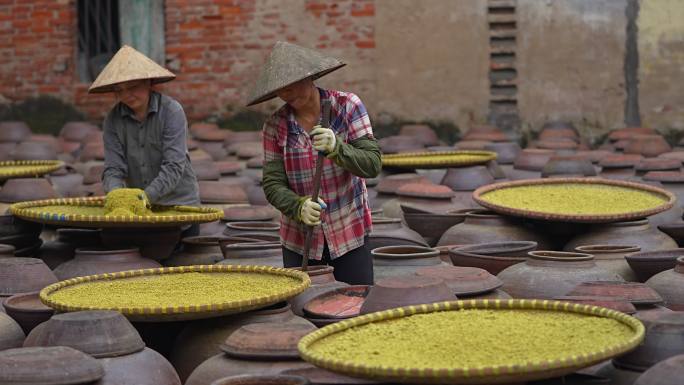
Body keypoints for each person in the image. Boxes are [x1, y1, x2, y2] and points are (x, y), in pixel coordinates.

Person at [248, 41, 381, 285]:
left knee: (357, 306)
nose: (289, 92)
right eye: (282, 88)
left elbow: (372, 164)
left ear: (311, 77)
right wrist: (298, 206)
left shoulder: (347, 106)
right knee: (305, 310)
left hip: (348, 229)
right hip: (300, 240)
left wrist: (337, 148)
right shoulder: (275, 126)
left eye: (295, 83)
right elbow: (272, 184)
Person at [89, 45, 200, 235]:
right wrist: (118, 197)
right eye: (119, 90)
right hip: (138, 212)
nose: (126, 95)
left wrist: (143, 197)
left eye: (132, 87)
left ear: (149, 83)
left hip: (179, 206)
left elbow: (174, 165)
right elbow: (113, 168)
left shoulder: (172, 111)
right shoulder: (112, 120)